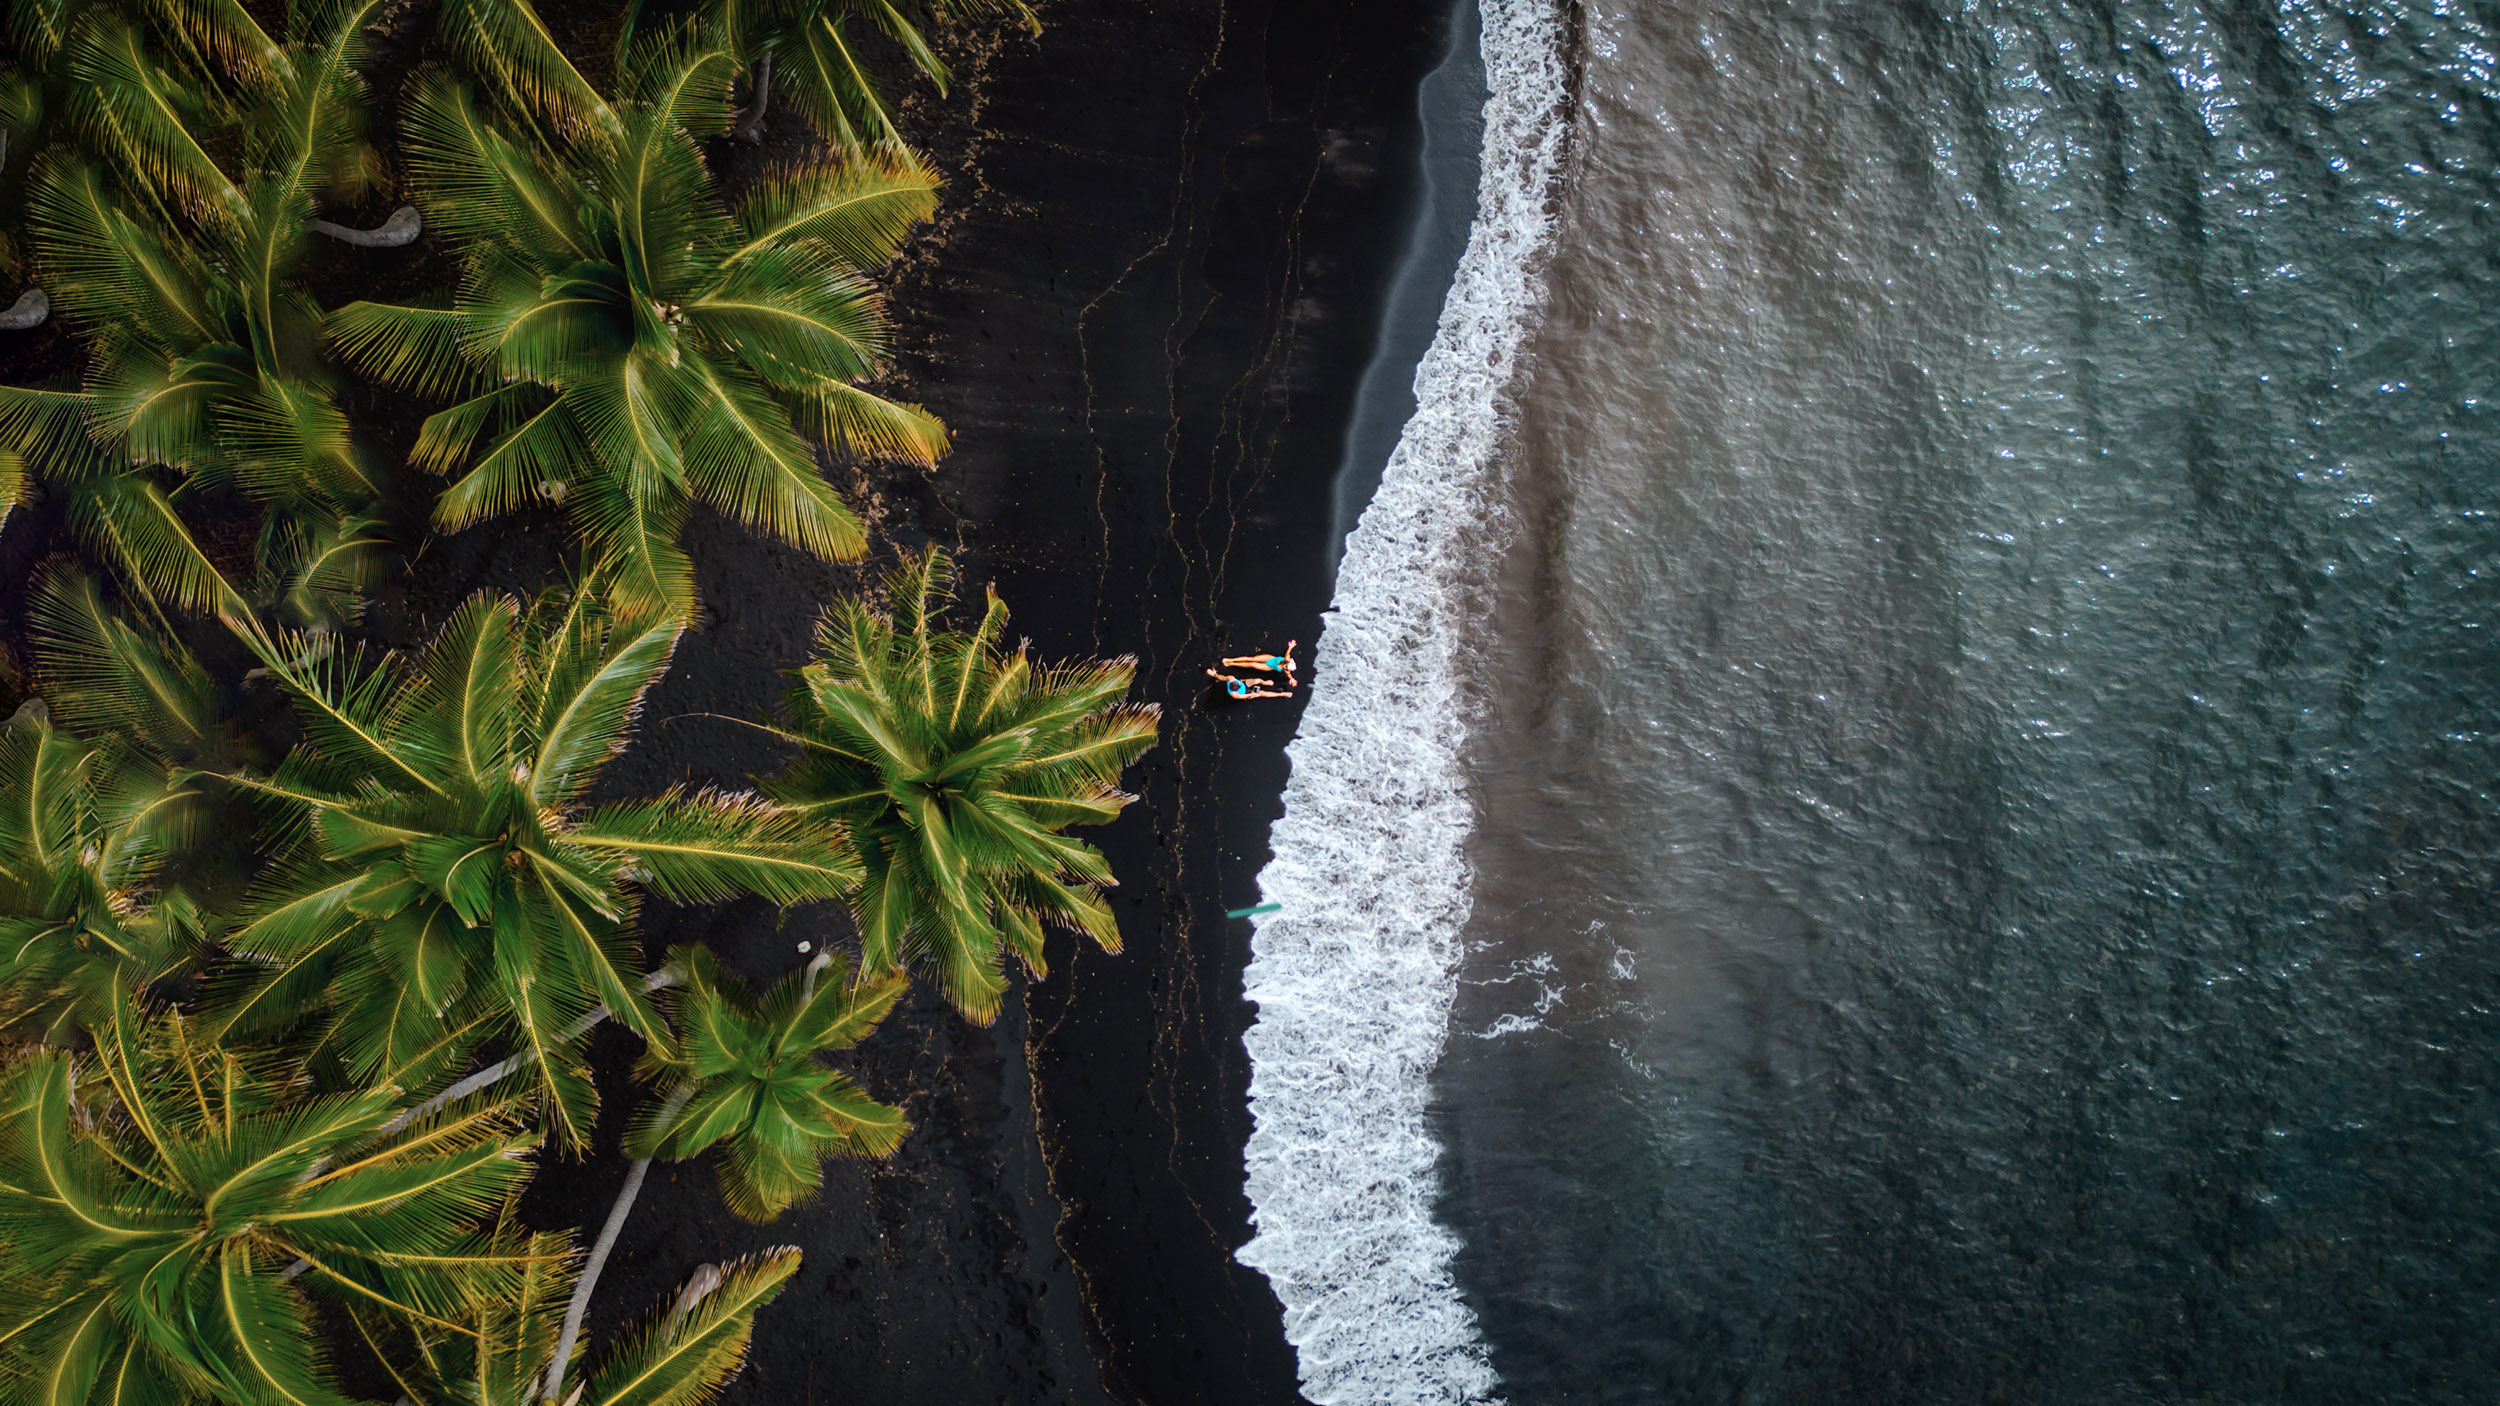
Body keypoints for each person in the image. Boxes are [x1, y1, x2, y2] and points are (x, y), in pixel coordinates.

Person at [1220, 639, 1298, 681]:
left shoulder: (1287, 671)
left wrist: (1292, 679)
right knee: (1251, 659)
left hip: (1269, 667)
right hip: (1271, 659)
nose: (1285, 667)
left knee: (1252, 664)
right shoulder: (1286, 659)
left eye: (1286, 668)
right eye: (1286, 666)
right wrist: (1290, 646)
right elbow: (1288, 652)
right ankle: (1230, 659)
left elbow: (1289, 676)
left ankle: (1231, 664)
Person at [1207, 668, 1291, 700]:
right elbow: (1244, 696)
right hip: (1245, 692)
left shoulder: (1231, 678)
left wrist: (1215, 674)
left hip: (1244, 683)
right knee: (1262, 693)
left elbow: (1222, 677)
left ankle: (1265, 682)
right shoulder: (1234, 694)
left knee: (1257, 680)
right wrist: (1252, 694)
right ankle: (1283, 694)